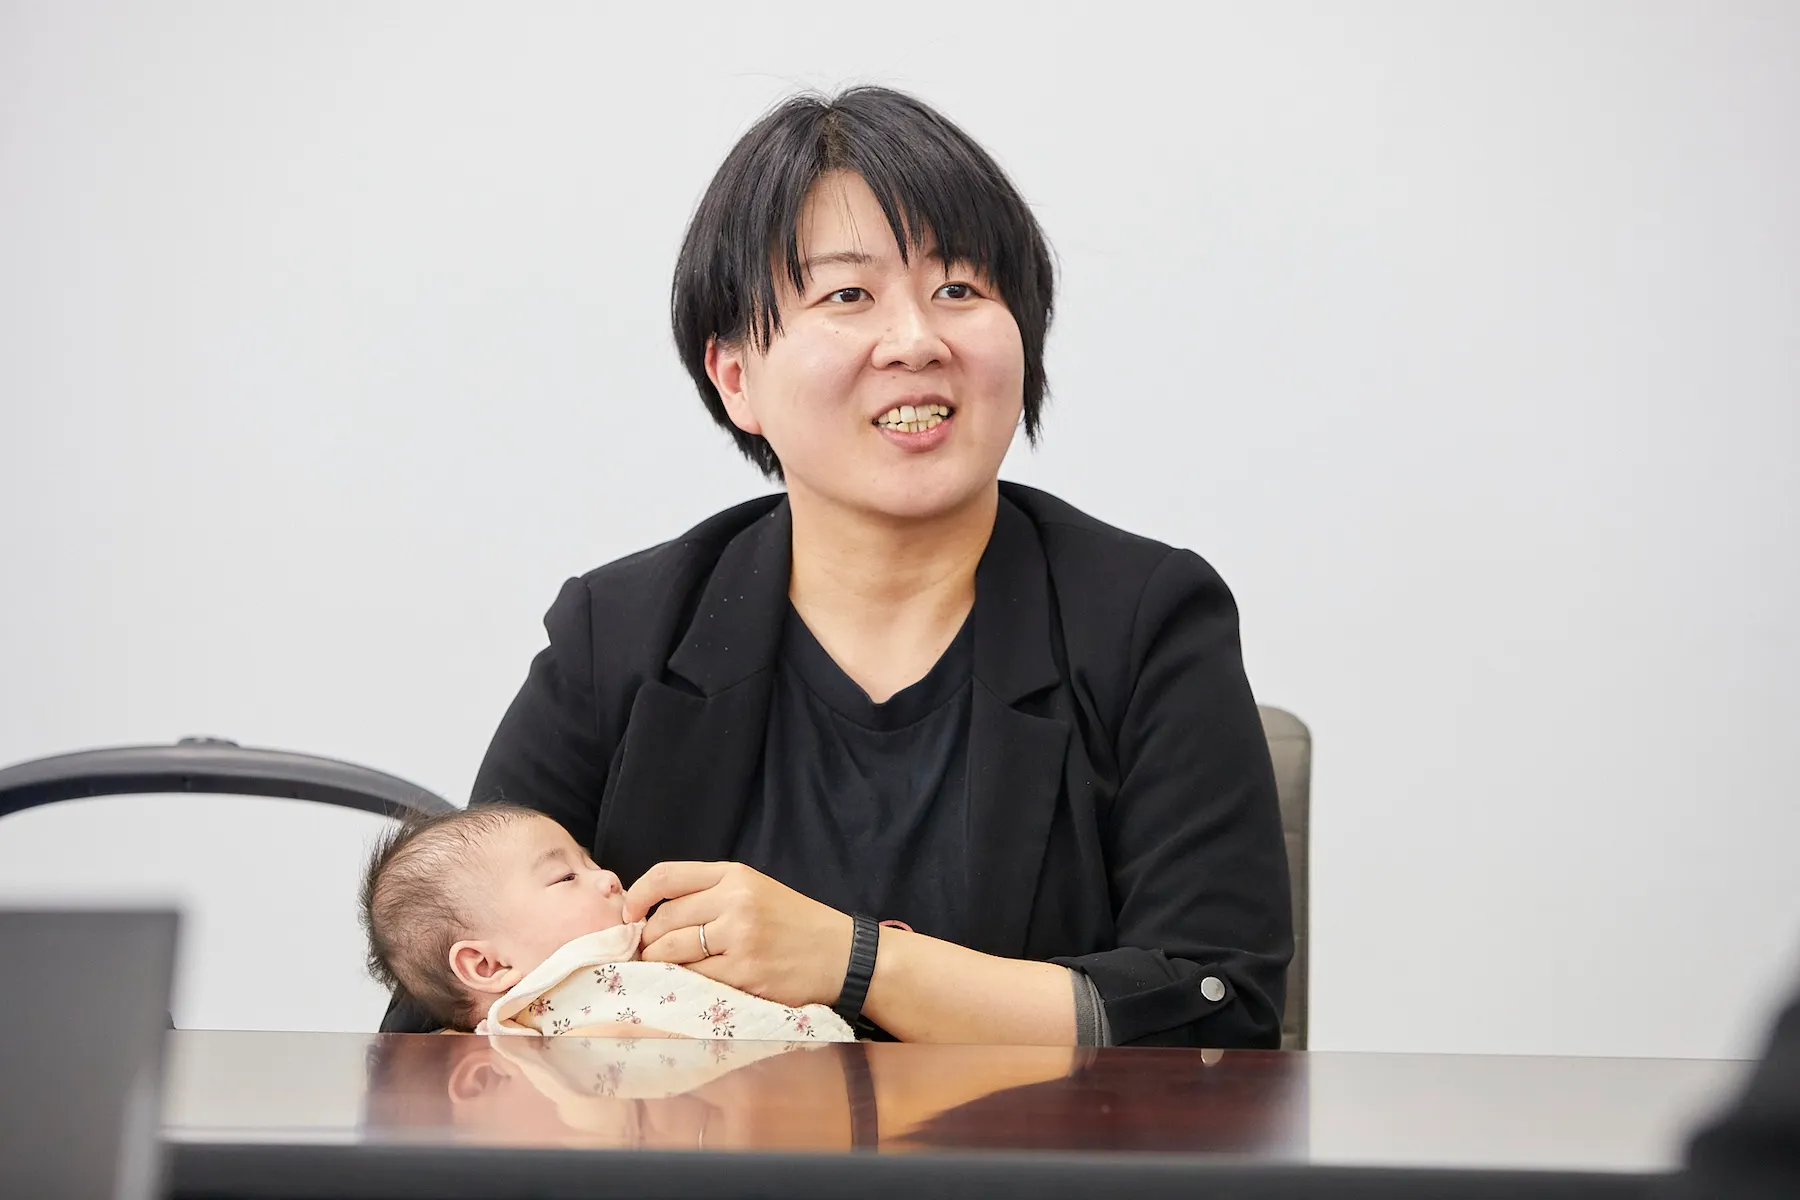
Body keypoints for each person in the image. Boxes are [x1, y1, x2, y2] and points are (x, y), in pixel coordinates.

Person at [383, 85, 1292, 1047]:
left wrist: (857, 963)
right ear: (736, 378)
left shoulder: (1146, 619)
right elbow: (445, 1016)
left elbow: (1217, 1018)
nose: (917, 341)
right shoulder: (621, 636)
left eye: (960, 289)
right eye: (847, 295)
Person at [361, 804, 852, 1040]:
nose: (609, 878)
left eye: (591, 862)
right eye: (565, 877)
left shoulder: (640, 950)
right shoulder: (530, 1040)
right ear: (488, 965)